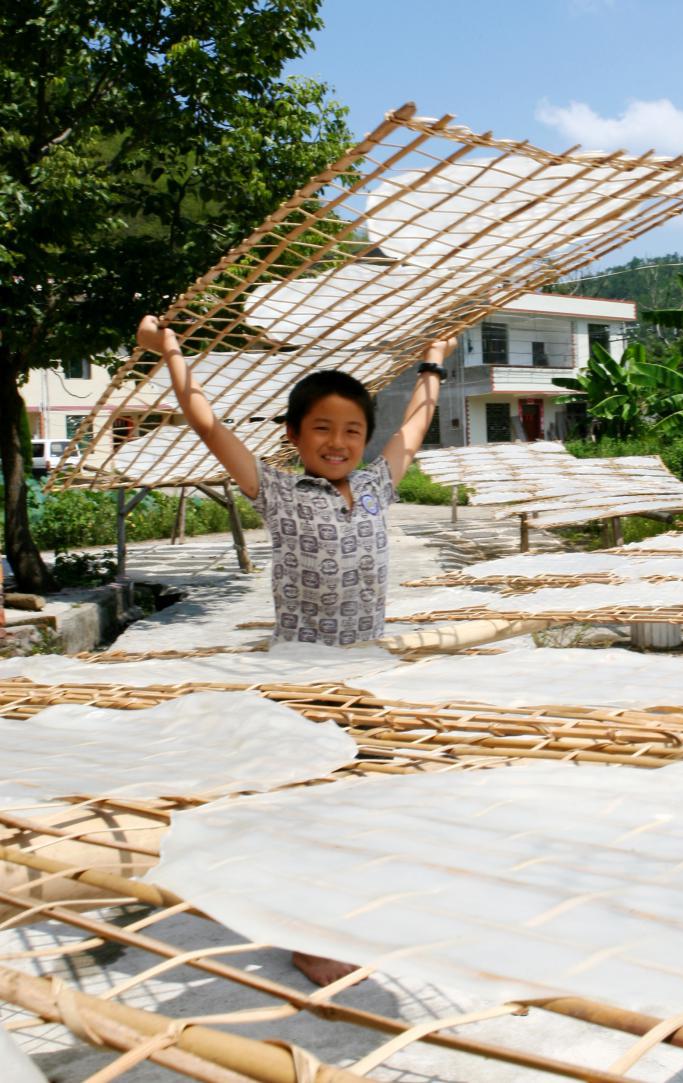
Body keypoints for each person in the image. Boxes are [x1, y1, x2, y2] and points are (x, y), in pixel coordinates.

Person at [136, 315, 454, 984]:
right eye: (322, 428)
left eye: (351, 431)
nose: (338, 442)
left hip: (368, 666)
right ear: (293, 434)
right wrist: (170, 351)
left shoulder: (376, 486)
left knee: (361, 798)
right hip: (303, 672)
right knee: (311, 799)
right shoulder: (277, 490)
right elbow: (206, 423)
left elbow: (414, 427)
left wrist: (433, 363)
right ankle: (309, 935)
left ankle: (342, 912)